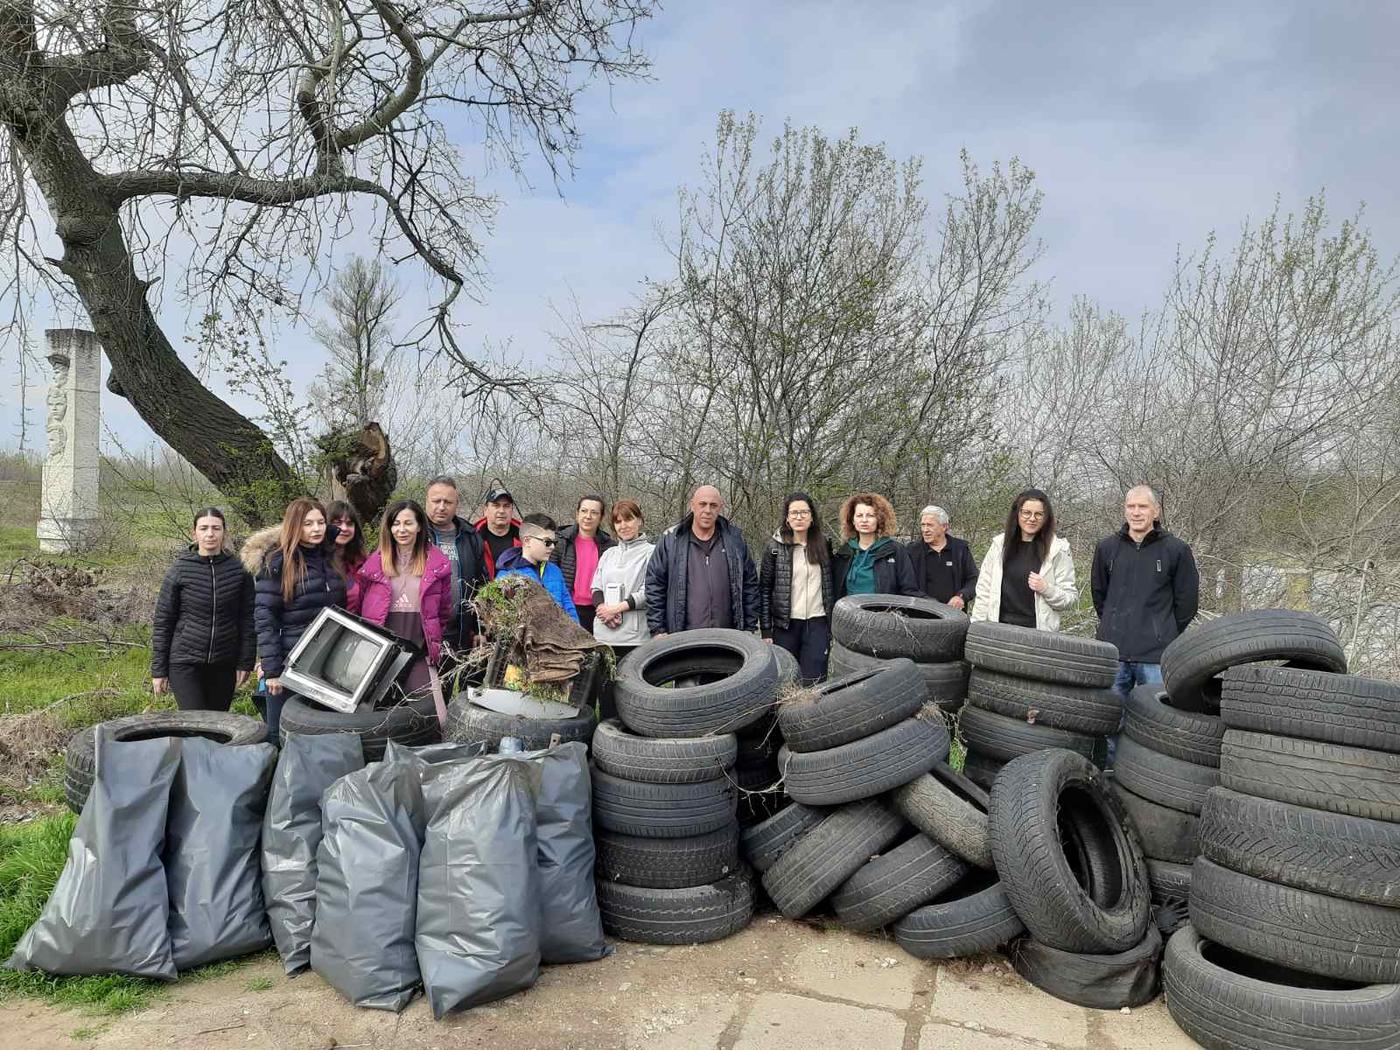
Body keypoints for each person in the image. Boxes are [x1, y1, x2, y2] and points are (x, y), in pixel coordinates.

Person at [245, 498, 348, 743]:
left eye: (320, 522)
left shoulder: (329, 557)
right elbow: (265, 619)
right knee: (279, 733)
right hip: (288, 662)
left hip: (325, 663)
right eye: (308, 524)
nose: (316, 529)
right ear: (294, 526)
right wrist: (272, 671)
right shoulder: (277, 562)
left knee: (320, 734)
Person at [1092, 485, 1200, 696]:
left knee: (1155, 714)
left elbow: (1187, 602)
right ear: (1124, 509)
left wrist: (1163, 631)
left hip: (1155, 657)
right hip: (1113, 653)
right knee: (1109, 714)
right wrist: (1112, 624)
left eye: (1142, 506)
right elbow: (1099, 595)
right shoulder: (1106, 548)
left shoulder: (1176, 549)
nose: (1136, 512)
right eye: (1131, 506)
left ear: (1156, 511)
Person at [150, 507, 256, 711]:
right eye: (204, 528)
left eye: (216, 528)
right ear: (194, 533)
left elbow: (248, 619)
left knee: (216, 723)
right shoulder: (180, 570)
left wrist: (245, 662)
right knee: (194, 720)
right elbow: (163, 622)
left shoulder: (239, 571)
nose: (210, 534)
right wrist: (159, 670)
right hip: (185, 662)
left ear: (224, 532)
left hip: (225, 662)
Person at [355, 499, 454, 696]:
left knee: (427, 706)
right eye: (396, 524)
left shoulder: (437, 565)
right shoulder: (373, 565)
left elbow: (444, 612)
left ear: (419, 526)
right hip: (379, 650)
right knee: (377, 705)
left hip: (418, 650)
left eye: (408, 523)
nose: (402, 530)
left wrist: (431, 638)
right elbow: (360, 606)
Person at [645, 485, 759, 635]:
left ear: (720, 508)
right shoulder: (671, 541)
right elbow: (655, 585)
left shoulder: (735, 541)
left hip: (728, 637)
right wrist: (658, 629)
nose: (707, 510)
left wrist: (749, 628)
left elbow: (750, 585)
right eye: (702, 504)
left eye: (713, 505)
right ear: (692, 505)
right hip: (683, 636)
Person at [971, 488, 1077, 631]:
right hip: (999, 629)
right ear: (1017, 514)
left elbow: (1070, 599)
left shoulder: (1058, 550)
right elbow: (984, 590)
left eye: (1038, 514)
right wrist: (977, 626)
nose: (1032, 518)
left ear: (1046, 517)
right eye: (1026, 512)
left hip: (1038, 633)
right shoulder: (999, 545)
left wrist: (1046, 589)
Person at [759, 493, 835, 684]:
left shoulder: (824, 544)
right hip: (785, 625)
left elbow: (830, 583)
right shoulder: (775, 547)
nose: (799, 517)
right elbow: (765, 590)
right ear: (787, 518)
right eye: (794, 513)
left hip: (818, 623)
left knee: (815, 681)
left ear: (812, 516)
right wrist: (766, 631)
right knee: (785, 681)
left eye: (804, 512)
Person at [590, 499, 655, 718]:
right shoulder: (608, 554)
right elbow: (596, 586)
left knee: (632, 698)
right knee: (606, 696)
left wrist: (617, 608)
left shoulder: (652, 552)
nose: (623, 525)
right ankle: (605, 735)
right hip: (605, 635)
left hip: (634, 638)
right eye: (618, 521)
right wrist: (603, 609)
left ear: (640, 521)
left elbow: (650, 591)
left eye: (628, 519)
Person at [423, 475, 489, 654]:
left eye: (448, 502)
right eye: (436, 501)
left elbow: (481, 585)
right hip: (422, 635)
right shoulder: (416, 534)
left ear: (456, 504)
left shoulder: (470, 536)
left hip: (461, 635)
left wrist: (480, 629)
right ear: (426, 501)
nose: (441, 507)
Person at [831, 492, 921, 600]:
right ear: (852, 520)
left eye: (870, 515)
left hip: (884, 609)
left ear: (879, 519)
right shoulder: (844, 553)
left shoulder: (894, 551)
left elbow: (909, 590)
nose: (864, 520)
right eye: (859, 515)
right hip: (850, 610)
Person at [496, 513, 579, 622]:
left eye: (554, 542)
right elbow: (502, 619)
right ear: (527, 541)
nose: (552, 547)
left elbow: (569, 607)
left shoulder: (555, 571)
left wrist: (577, 630)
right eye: (547, 542)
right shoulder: (507, 576)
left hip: (561, 631)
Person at [553, 494, 615, 633]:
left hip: (599, 611)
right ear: (577, 513)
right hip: (567, 608)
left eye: (594, 512)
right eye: (584, 511)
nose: (588, 516)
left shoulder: (610, 546)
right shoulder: (561, 541)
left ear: (601, 517)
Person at [906, 505, 979, 610]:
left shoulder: (960, 549)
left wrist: (961, 597)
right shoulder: (912, 551)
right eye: (923, 525)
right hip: (921, 614)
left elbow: (973, 579)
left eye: (930, 525)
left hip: (955, 614)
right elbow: (907, 586)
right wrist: (928, 602)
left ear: (944, 527)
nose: (925, 530)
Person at [327, 499, 368, 615]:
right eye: (337, 523)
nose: (344, 528)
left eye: (349, 524)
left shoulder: (363, 564)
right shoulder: (314, 561)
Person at [473, 482, 522, 578]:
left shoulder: (525, 538)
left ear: (512, 510)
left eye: (506, 506)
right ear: (485, 510)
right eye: (496, 505)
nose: (501, 511)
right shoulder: (472, 538)